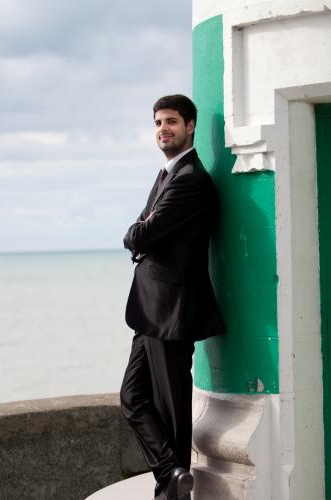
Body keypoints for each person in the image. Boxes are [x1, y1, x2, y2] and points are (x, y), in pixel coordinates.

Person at [120, 94, 225, 500]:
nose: (164, 129)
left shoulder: (191, 180)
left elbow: (143, 234)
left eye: (172, 122)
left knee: (172, 404)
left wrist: (137, 231)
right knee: (133, 398)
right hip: (151, 310)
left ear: (191, 126)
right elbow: (148, 230)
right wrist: (142, 230)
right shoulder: (168, 174)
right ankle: (172, 471)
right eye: (159, 123)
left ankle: (175, 487)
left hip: (171, 310)